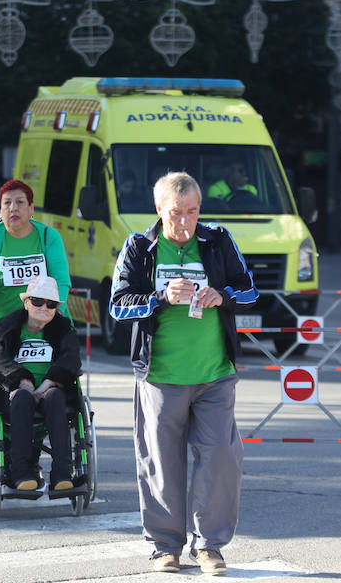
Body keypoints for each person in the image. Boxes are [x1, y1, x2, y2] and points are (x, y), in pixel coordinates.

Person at [108, 172, 258, 575]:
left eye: (192, 212)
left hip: (215, 373)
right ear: (159, 210)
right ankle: (164, 547)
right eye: (176, 213)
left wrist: (222, 295)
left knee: (221, 458)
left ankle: (209, 545)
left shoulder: (217, 240)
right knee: (160, 462)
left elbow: (250, 290)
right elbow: (118, 306)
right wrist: (159, 298)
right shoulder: (139, 247)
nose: (185, 222)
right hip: (160, 375)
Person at [0, 276, 81, 492]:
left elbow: (71, 359)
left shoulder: (63, 328)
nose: (43, 307)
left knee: (56, 397)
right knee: (22, 397)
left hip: (50, 390)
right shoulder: (6, 327)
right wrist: (23, 380)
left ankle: (62, 475)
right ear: (26, 302)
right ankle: (21, 473)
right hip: (14, 392)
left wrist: (46, 384)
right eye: (37, 301)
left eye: (51, 304)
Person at [0, 179, 71, 357]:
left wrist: (55, 316)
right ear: (0, 211)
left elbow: (61, 281)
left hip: (44, 327)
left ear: (31, 208)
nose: (13, 208)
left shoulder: (49, 237)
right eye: (7, 203)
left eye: (20, 202)